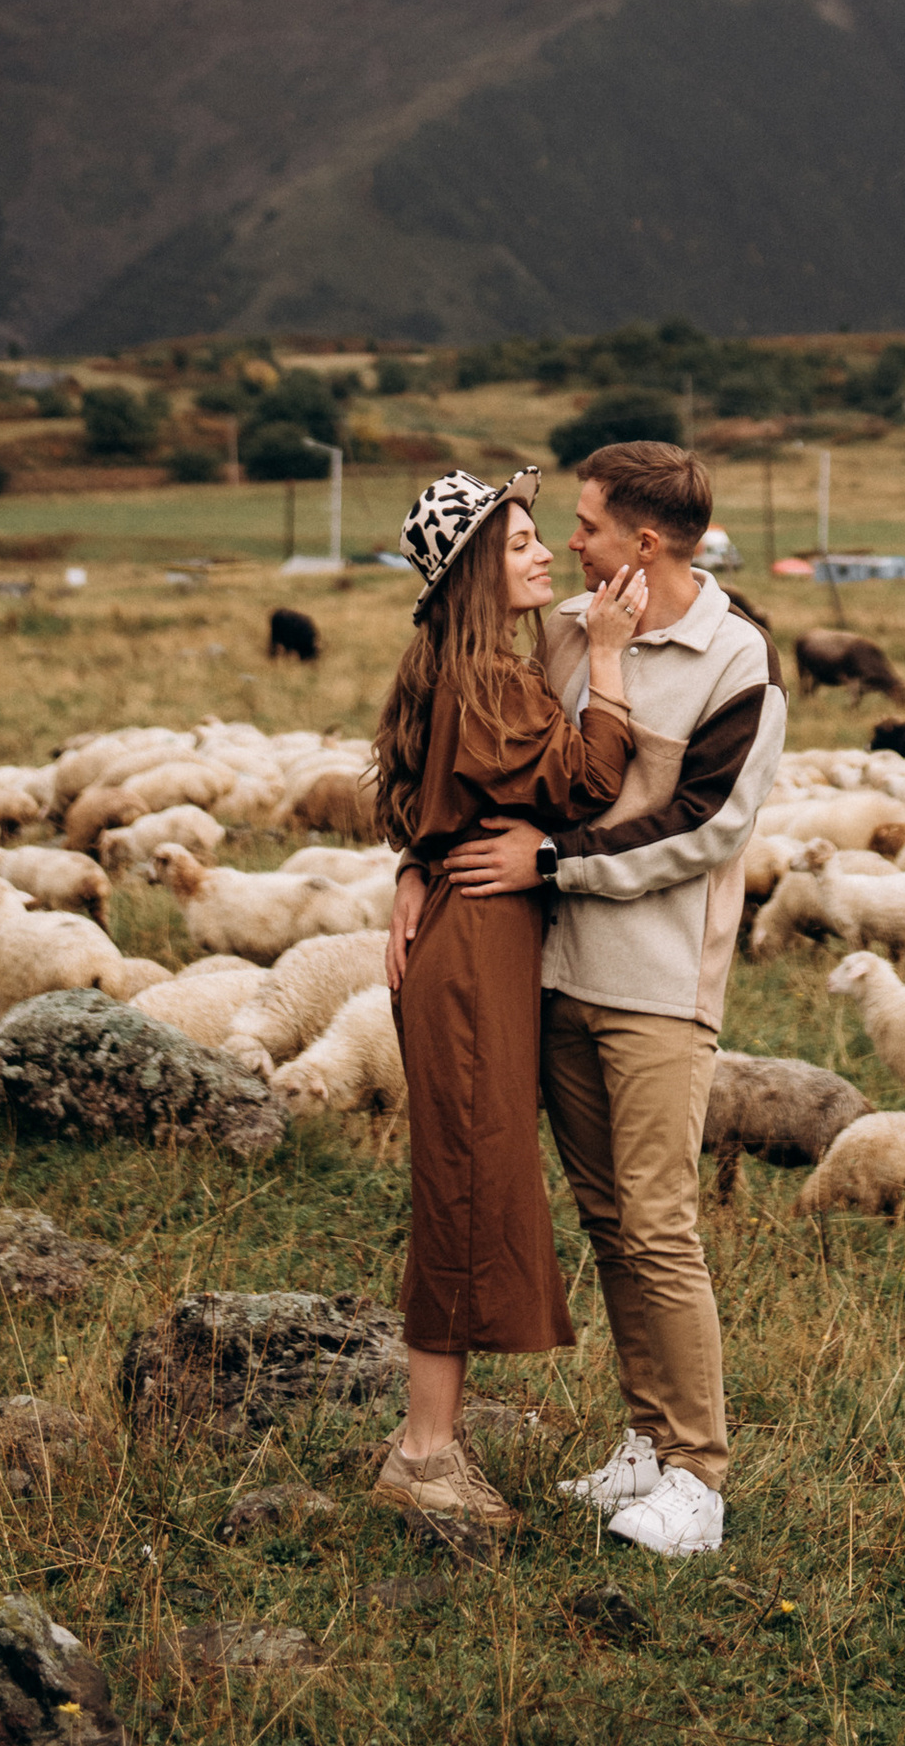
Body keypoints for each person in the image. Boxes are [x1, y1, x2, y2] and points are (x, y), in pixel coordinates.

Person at [404, 439, 787, 1561]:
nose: (571, 540)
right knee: (612, 1220)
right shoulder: (572, 630)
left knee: (661, 1221)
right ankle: (644, 1437)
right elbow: (474, 765)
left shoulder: (738, 662)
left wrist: (554, 861)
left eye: (585, 524)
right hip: (552, 973)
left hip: (656, 986)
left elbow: (705, 828)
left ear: (646, 540)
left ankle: (698, 1477)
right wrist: (412, 867)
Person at [373, 465, 648, 1532]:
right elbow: (585, 781)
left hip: (469, 931)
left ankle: (431, 1440)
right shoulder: (489, 675)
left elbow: (412, 796)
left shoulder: (464, 665)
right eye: (520, 538)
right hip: (476, 944)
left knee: (469, 1169)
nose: (541, 552)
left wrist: (414, 864)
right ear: (477, 568)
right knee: (467, 1175)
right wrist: (614, 661)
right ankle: (424, 1450)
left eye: (542, 534)